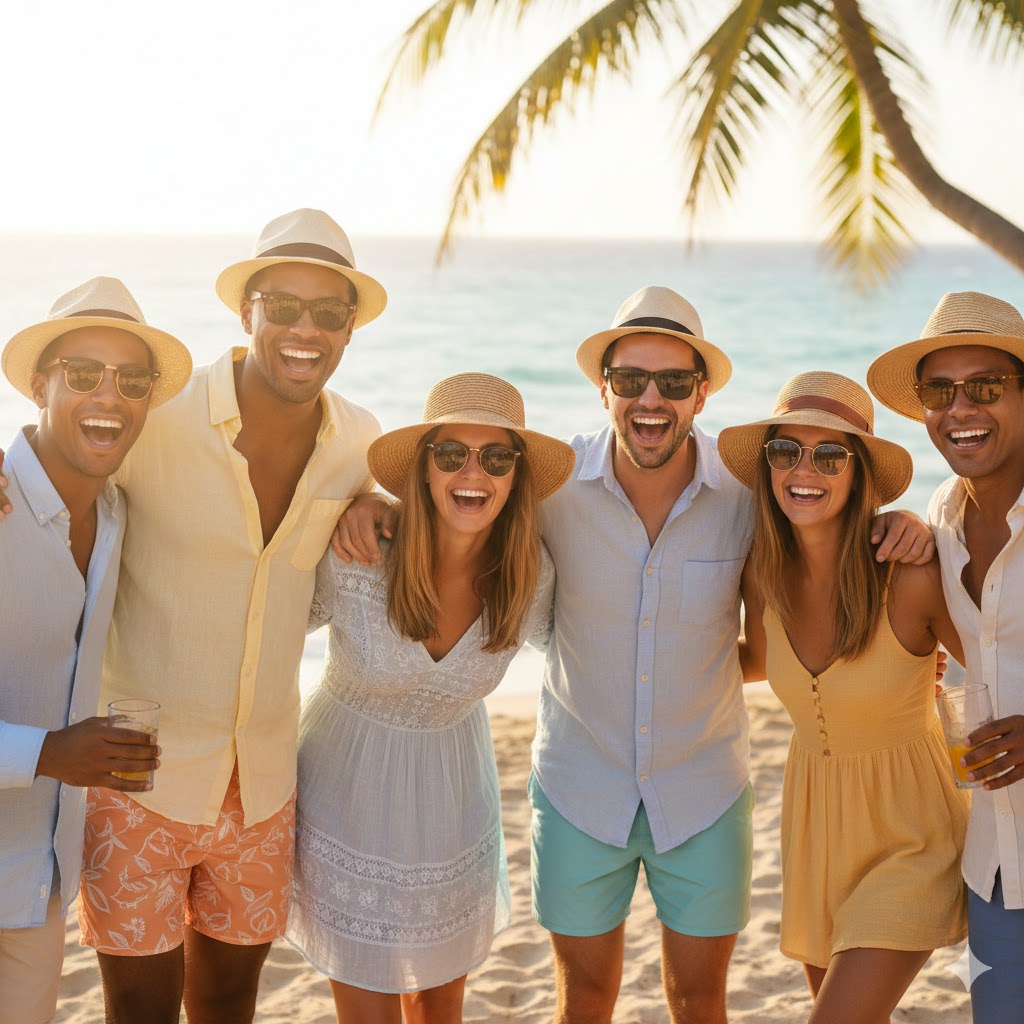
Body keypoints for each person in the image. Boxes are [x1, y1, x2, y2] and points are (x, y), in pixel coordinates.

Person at [332, 286, 936, 1023]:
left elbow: (813, 557)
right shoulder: (549, 493)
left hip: (706, 791)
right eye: (631, 380)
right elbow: (462, 499)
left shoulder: (751, 498)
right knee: (584, 998)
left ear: (702, 395)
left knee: (699, 999)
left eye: (674, 382)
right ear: (603, 389)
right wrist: (378, 503)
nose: (651, 399)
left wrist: (903, 523)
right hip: (578, 787)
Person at [0, 210, 386, 1024]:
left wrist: (374, 496)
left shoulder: (357, 439)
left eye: (328, 312)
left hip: (267, 785)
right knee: (138, 1011)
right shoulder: (154, 418)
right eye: (282, 305)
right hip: (137, 779)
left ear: (352, 329)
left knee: (229, 1008)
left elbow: (381, 500)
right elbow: (65, 443)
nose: (303, 329)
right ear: (244, 311)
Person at [287, 372, 574, 1024]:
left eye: (496, 457)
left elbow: (600, 648)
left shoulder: (531, 576)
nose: (474, 472)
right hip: (343, 798)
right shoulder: (359, 550)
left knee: (440, 1010)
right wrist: (358, 501)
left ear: (517, 476)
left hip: (451, 802)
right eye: (452, 455)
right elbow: (262, 616)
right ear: (422, 470)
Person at [717, 371, 969, 1023]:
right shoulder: (761, 574)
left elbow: (996, 667)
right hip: (814, 825)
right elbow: (756, 663)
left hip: (911, 834)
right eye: (786, 451)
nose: (805, 469)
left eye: (830, 453)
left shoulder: (908, 573)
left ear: (859, 472)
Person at [0, 277, 192, 1024]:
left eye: (132, 380)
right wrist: (48, 753)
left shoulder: (114, 515)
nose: (109, 396)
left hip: (38, 877)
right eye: (83, 374)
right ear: (41, 387)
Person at [867, 291, 1024, 1021]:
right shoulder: (940, 517)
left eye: (986, 387)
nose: (960, 408)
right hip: (995, 861)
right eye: (940, 390)